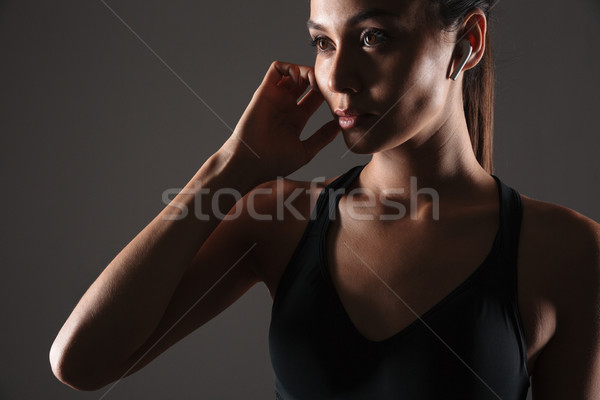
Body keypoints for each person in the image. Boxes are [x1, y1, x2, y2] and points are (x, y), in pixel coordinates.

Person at [50, 0, 600, 398]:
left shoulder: (567, 251)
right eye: (323, 42)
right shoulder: (277, 220)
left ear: (467, 42)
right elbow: (82, 363)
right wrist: (232, 166)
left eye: (373, 37)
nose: (336, 76)